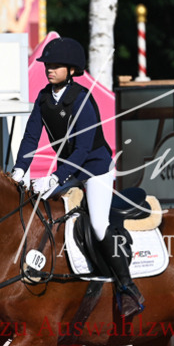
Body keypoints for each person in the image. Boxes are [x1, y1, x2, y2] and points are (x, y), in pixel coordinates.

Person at [11, 36, 144, 319]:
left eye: (56, 65)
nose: (49, 69)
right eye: (48, 64)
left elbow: (83, 148)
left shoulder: (82, 98)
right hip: (68, 170)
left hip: (95, 168)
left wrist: (56, 178)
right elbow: (31, 136)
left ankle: (127, 287)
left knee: (97, 224)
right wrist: (20, 169)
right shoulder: (44, 98)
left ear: (71, 70)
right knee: (44, 213)